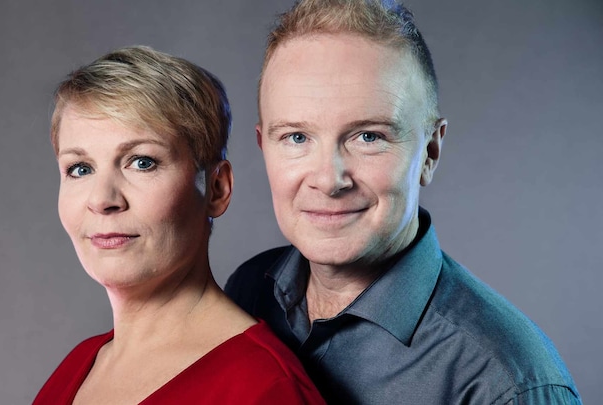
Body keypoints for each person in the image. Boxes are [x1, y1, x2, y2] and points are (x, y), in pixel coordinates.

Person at [225, 0, 582, 403]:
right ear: (264, 146)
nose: (328, 180)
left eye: (369, 136)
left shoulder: (507, 385)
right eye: (296, 137)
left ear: (430, 152)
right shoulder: (248, 291)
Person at [33, 46, 325, 404]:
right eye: (80, 169)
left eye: (142, 162)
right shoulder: (77, 366)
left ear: (217, 188)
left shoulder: (263, 387)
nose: (102, 199)